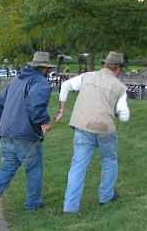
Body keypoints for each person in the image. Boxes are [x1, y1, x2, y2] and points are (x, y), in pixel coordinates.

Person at [54, 51, 130, 214]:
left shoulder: (86, 76)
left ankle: (70, 207)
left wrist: (62, 109)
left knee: (78, 166)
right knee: (109, 160)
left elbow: (65, 86)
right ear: (118, 69)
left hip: (82, 126)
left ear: (104, 64)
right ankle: (106, 196)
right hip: (105, 129)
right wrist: (117, 111)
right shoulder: (120, 88)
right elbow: (124, 116)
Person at [0, 52, 55, 212]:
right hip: (26, 136)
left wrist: (1, 124)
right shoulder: (40, 82)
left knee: (7, 168)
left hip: (6, 133)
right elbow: (36, 104)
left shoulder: (16, 80)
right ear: (44, 68)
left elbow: (0, 104)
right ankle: (33, 204)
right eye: (48, 69)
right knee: (34, 169)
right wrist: (44, 122)